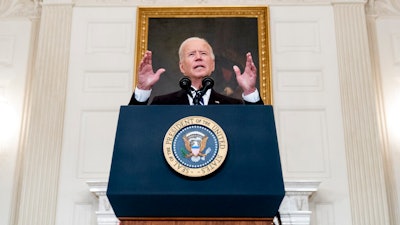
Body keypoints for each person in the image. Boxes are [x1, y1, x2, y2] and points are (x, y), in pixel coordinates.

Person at [128, 37, 263, 105]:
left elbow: (258, 130)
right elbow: (135, 128)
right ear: (182, 67)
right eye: (192, 54)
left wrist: (250, 92)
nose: (198, 57)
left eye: (203, 53)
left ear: (213, 65)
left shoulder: (233, 105)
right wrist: (143, 89)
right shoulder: (162, 103)